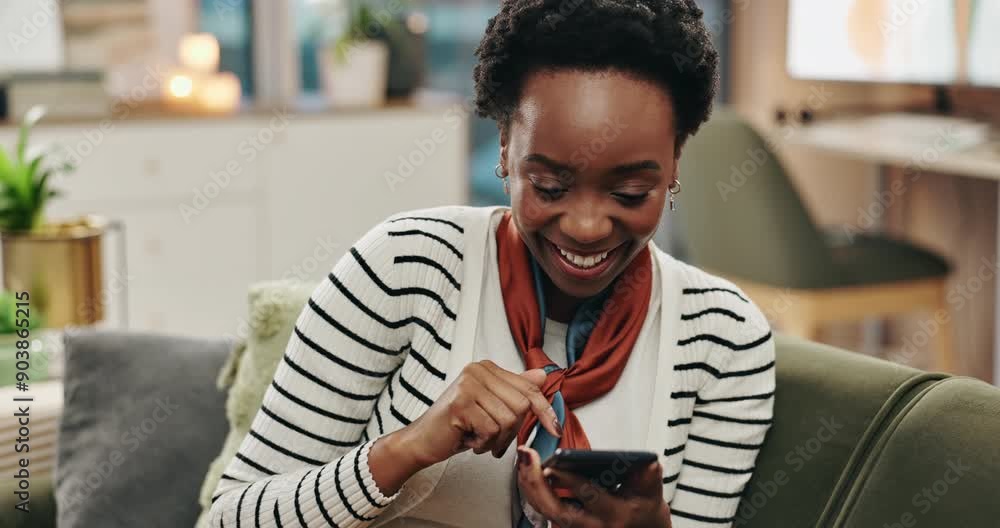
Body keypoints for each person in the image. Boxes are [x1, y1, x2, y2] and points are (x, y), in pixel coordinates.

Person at [209, 0, 774, 526]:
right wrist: (408, 449)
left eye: (629, 193)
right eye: (549, 185)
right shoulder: (408, 268)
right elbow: (225, 518)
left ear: (675, 162)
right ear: (504, 147)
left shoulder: (723, 341)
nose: (586, 225)